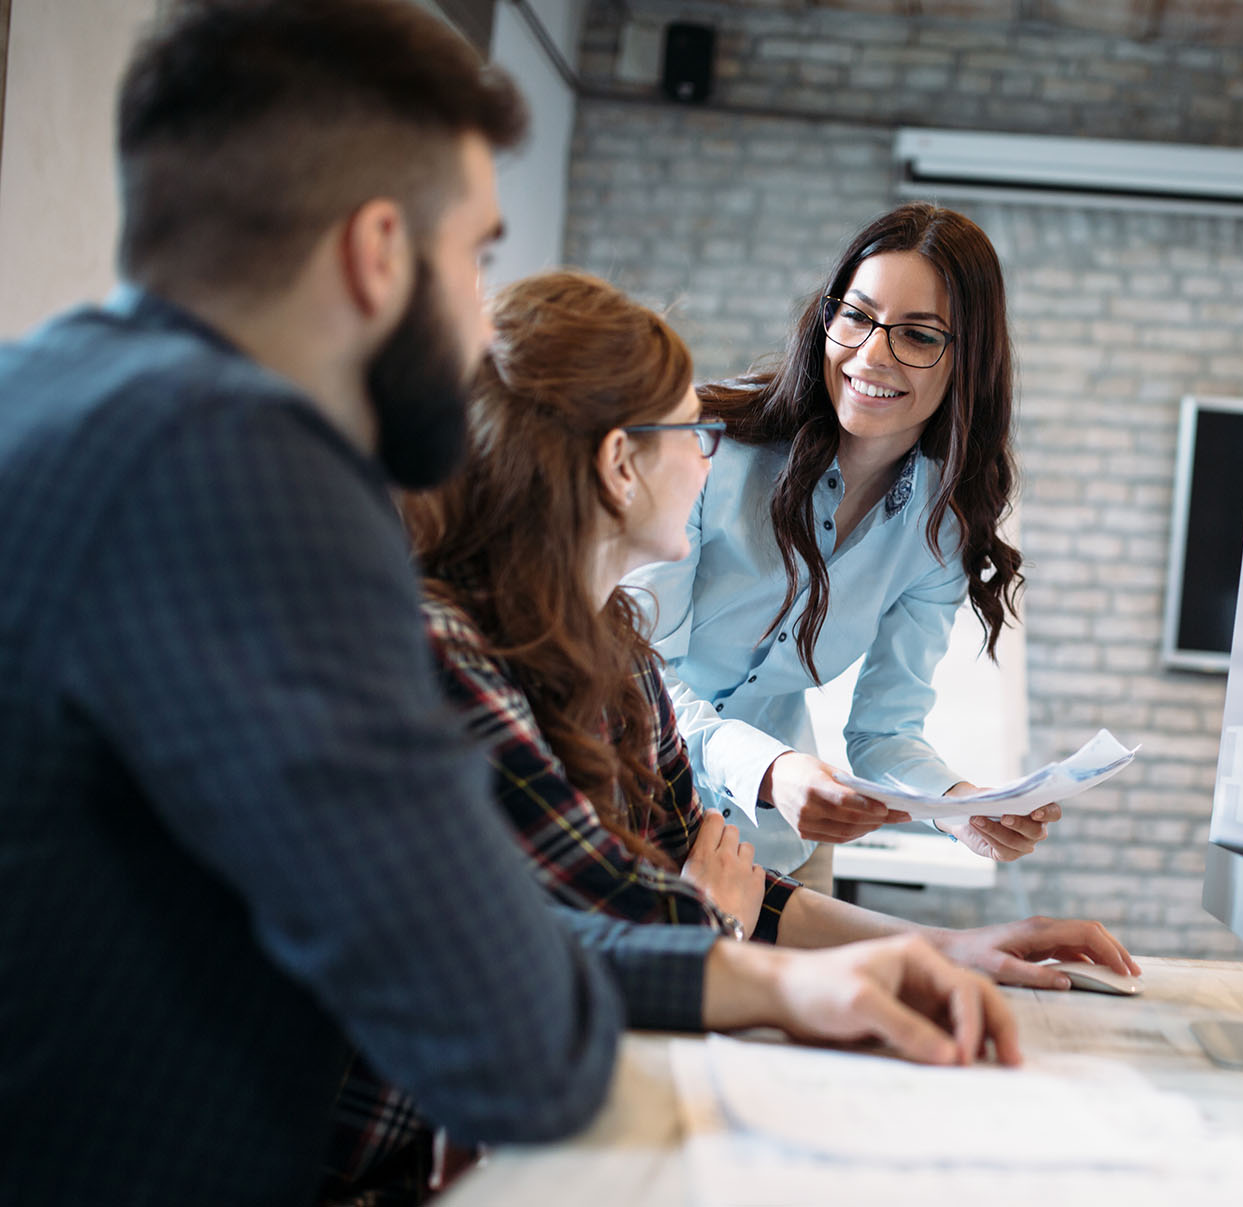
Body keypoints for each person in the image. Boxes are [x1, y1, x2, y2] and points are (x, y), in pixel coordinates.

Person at [0, 6, 1013, 1204]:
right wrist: (738, 949)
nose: (488, 329)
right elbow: (503, 1015)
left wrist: (784, 967)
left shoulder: (49, 397)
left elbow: (457, 932)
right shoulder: (255, 488)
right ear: (381, 251)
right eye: (477, 259)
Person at [330, 269, 1137, 1199]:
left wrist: (942, 946)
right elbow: (622, 925)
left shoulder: (620, 657)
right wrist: (712, 917)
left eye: (918, 334)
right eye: (690, 432)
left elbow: (706, 891)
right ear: (619, 466)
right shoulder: (443, 660)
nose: (710, 456)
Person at [627, 203, 1056, 887]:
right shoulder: (707, 446)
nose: (871, 356)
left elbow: (884, 731)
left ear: (967, 361)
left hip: (773, 850)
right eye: (855, 316)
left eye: (917, 336)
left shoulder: (940, 526)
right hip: (626, 815)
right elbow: (638, 678)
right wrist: (769, 770)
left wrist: (956, 804)